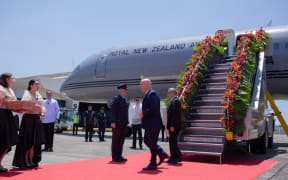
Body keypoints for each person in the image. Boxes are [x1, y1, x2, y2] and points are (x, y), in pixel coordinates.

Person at [13, 80, 46, 170]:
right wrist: (36, 106)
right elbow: (24, 105)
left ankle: (32, 161)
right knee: (27, 142)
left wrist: (42, 112)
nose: (38, 85)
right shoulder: (27, 93)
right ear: (31, 85)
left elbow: (42, 106)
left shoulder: (39, 95)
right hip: (28, 119)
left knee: (34, 143)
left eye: (39, 84)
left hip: (36, 119)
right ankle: (25, 161)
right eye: (36, 84)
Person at [139, 79, 168, 170]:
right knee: (147, 141)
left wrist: (144, 113)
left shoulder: (152, 94)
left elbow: (153, 108)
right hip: (150, 124)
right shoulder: (148, 94)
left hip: (153, 124)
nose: (140, 86)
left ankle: (153, 163)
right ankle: (161, 153)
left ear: (147, 85)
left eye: (141, 84)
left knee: (151, 142)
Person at [0, 73, 18, 172]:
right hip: (1, 115)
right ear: (6, 79)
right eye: (12, 78)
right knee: (2, 141)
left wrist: (21, 107)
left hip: (8, 115)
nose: (13, 80)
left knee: (7, 142)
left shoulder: (11, 90)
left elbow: (14, 102)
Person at [111, 84, 129, 162]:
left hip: (124, 123)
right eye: (125, 90)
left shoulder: (125, 99)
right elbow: (113, 111)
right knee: (116, 140)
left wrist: (127, 121)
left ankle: (119, 155)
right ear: (120, 90)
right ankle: (115, 156)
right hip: (117, 123)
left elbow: (125, 112)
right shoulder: (116, 99)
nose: (126, 91)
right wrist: (113, 121)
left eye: (126, 90)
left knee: (121, 140)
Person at [166, 88, 182, 164]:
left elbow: (175, 115)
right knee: (171, 142)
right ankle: (173, 157)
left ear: (173, 93)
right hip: (172, 125)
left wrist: (172, 125)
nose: (168, 94)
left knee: (173, 142)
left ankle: (176, 157)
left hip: (174, 126)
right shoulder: (172, 100)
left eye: (169, 92)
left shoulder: (176, 101)